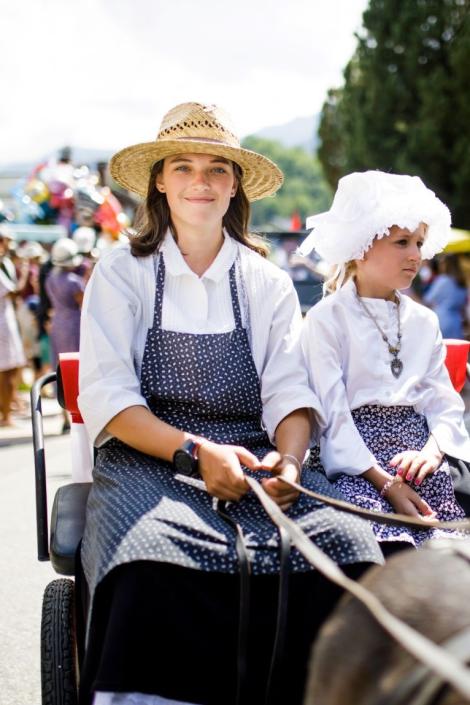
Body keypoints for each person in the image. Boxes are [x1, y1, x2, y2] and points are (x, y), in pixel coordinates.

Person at [77, 103, 383, 705]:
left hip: (258, 455)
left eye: (217, 168)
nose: (201, 182)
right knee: (148, 561)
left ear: (235, 183)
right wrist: (194, 450)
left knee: (349, 549)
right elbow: (110, 399)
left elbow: (290, 390)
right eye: (183, 167)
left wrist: (292, 461)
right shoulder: (121, 273)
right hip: (150, 455)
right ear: (159, 181)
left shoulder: (264, 280)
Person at [300, 170, 470, 554]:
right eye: (402, 242)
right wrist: (386, 483)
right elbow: (331, 413)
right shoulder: (328, 319)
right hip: (357, 462)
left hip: (422, 455)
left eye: (420, 243)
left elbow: (443, 402)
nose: (416, 254)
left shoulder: (424, 320)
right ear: (361, 247)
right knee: (372, 544)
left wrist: (430, 452)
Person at [45, 238, 85, 432]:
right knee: (75, 369)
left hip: (57, 324)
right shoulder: (74, 282)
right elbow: (84, 304)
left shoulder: (51, 277)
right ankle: (77, 414)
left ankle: (64, 416)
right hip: (74, 325)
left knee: (60, 369)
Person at [0, 226, 27, 426]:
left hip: (8, 320)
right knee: (6, 370)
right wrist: (25, 274)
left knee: (13, 367)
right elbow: (12, 292)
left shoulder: (5, 263)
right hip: (3, 324)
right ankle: (6, 415)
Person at [423, 254, 468, 339]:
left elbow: (428, 299)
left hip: (442, 319)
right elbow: (463, 304)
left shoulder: (443, 280)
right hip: (456, 321)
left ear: (445, 264)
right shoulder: (462, 282)